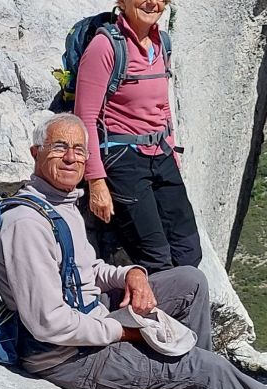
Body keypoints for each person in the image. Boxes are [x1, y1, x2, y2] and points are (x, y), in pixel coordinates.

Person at [0, 114, 267, 389]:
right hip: (68, 357)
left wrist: (130, 275)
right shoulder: (27, 224)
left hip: (92, 319)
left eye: (79, 150)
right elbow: (48, 322)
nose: (71, 158)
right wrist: (123, 332)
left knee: (190, 281)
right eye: (59, 148)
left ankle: (192, 381)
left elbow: (87, 269)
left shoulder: (61, 204)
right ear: (35, 153)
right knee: (208, 369)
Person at [73, 0, 202, 272]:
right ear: (122, 2)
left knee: (189, 250)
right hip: (124, 160)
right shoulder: (105, 47)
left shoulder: (161, 44)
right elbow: (84, 119)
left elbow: (162, 106)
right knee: (156, 258)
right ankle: (157, 312)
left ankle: (179, 309)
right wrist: (96, 182)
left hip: (161, 156)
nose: (151, 3)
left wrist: (171, 154)